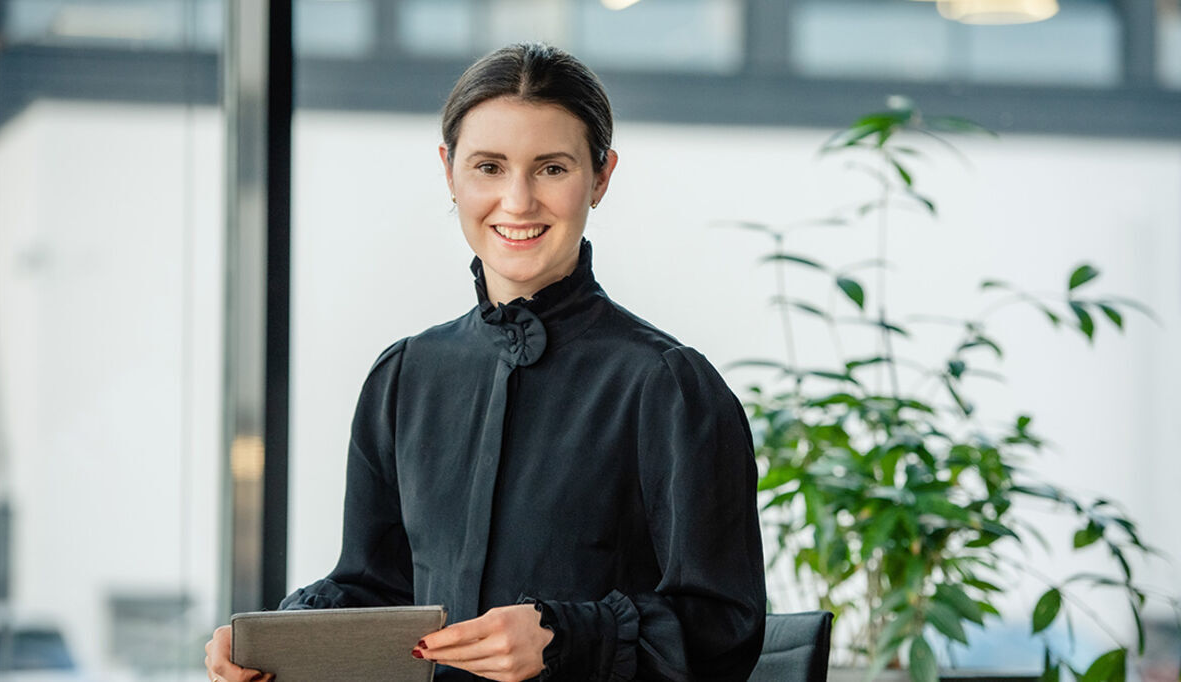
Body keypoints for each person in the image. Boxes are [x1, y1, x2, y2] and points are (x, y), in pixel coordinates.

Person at [205, 42, 765, 682]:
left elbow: (726, 628)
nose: (519, 201)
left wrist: (562, 637)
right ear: (450, 172)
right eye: (489, 167)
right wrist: (274, 641)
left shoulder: (670, 387)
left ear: (601, 176)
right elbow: (375, 586)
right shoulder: (404, 377)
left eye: (552, 168)